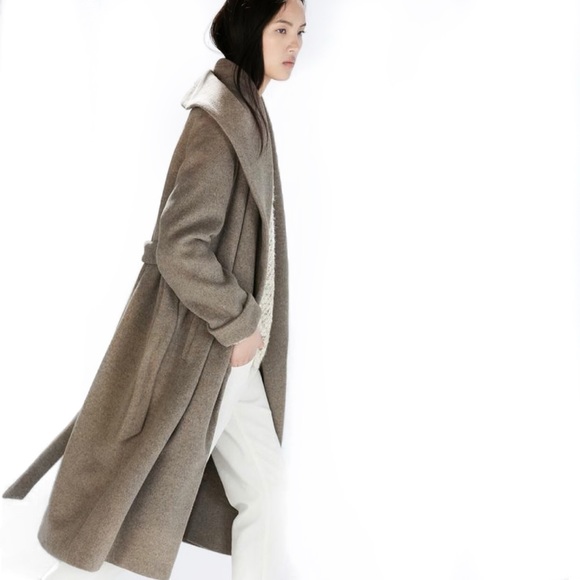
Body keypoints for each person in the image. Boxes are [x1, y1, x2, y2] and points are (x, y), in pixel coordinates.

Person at [2, 1, 306, 579]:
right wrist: (238, 322)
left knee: (262, 490)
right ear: (251, 30)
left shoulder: (250, 112)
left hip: (233, 352)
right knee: (132, 497)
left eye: (301, 32)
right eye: (282, 30)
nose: (295, 44)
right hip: (206, 349)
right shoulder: (221, 119)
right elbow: (180, 243)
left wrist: (247, 333)